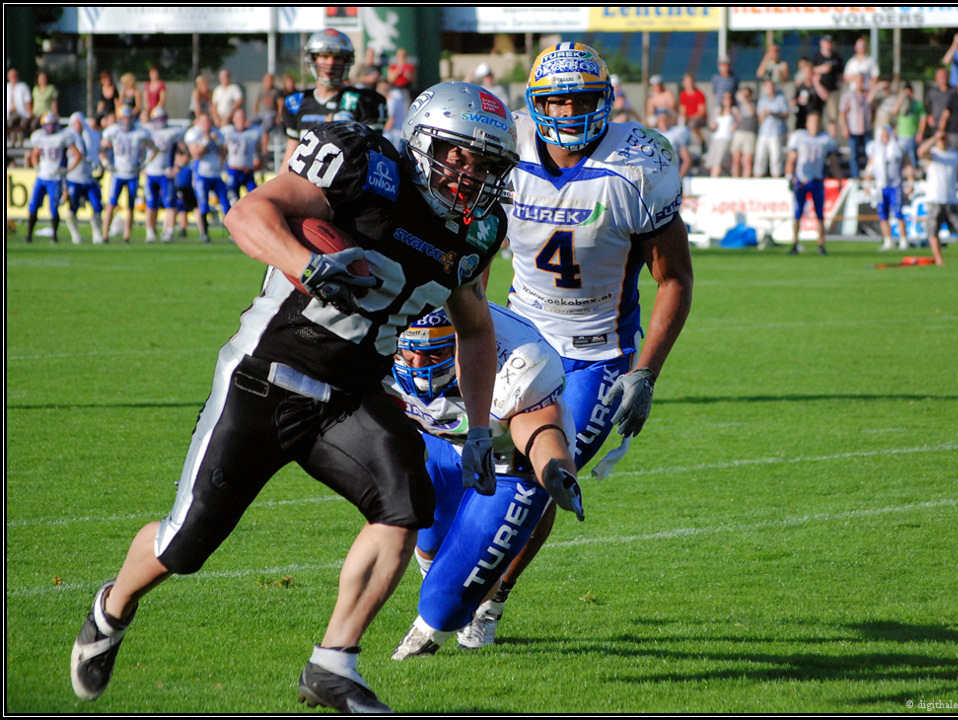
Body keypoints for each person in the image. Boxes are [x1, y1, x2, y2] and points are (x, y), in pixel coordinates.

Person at [69, 80, 519, 714]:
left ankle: (333, 665)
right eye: (459, 155)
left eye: (486, 165)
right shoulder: (367, 164)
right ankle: (111, 608)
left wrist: (477, 427)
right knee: (185, 544)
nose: (470, 175)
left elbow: (473, 324)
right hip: (265, 376)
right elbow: (249, 212)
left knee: (402, 508)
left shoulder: (474, 232)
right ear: (424, 140)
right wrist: (306, 263)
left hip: (351, 395)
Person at [487, 42, 693, 647]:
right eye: (558, 100)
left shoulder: (638, 164)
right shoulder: (509, 149)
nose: (571, 111)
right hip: (517, 331)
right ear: (536, 105)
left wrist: (646, 373)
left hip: (597, 351)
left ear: (606, 100)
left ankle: (492, 600)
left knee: (538, 480)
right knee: (468, 462)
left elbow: (673, 278)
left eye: (583, 98)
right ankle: (447, 567)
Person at [386, 303, 585, 658]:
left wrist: (553, 467)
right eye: (410, 354)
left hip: (509, 456)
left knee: (443, 604)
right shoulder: (378, 334)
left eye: (434, 356)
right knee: (427, 538)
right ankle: (458, 585)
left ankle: (470, 613)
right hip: (443, 441)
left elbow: (539, 428)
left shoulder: (520, 360)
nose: (418, 369)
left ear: (461, 343)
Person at [279, 29, 388, 172]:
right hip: (305, 185)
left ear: (347, 61)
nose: (330, 63)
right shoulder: (297, 103)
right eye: (324, 56)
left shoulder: (364, 101)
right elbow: (289, 159)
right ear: (313, 59)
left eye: (337, 57)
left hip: (347, 186)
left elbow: (374, 158)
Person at [785, 110, 841, 255]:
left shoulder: (826, 139)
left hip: (817, 180)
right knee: (797, 213)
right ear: (807, 124)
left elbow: (833, 161)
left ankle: (821, 244)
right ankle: (795, 243)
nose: (815, 125)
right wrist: (789, 177)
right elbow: (792, 158)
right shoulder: (799, 137)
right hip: (801, 181)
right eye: (812, 122)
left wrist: (839, 178)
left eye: (817, 122)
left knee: (820, 215)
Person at [917, 131, 958, 267]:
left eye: (944, 139)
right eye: (940, 139)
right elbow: (921, 151)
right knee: (934, 230)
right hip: (935, 198)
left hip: (951, 199)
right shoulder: (933, 154)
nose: (942, 141)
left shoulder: (954, 155)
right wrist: (934, 137)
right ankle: (939, 259)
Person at [100, 105, 156, 244]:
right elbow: (101, 147)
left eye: (128, 118)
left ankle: (127, 236)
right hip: (118, 173)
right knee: (111, 205)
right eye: (123, 118)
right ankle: (105, 235)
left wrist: (145, 162)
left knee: (130, 207)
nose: (126, 121)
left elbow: (153, 148)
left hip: (132, 173)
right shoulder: (113, 131)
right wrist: (105, 161)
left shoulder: (140, 132)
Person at [24, 112, 81, 244]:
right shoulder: (40, 137)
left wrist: (67, 169)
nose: (49, 127)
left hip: (55, 177)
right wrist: (36, 165)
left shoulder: (63, 136)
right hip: (42, 176)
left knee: (53, 208)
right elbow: (35, 153)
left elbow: (77, 154)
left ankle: (54, 236)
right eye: (47, 125)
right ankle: (29, 235)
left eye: (52, 124)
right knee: (33, 206)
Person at [184, 113, 229, 243]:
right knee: (203, 204)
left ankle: (232, 233)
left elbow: (224, 152)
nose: (207, 125)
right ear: (198, 122)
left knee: (225, 203)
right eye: (204, 122)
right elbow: (196, 154)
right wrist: (205, 141)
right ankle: (204, 233)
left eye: (208, 122)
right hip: (201, 174)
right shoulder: (194, 134)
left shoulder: (216, 133)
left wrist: (217, 142)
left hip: (216, 174)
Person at [143, 107, 186, 243]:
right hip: (150, 172)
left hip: (165, 172)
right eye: (157, 118)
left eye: (162, 118)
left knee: (170, 203)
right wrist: (141, 166)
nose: (159, 122)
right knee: (150, 204)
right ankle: (150, 231)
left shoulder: (173, 132)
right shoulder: (146, 131)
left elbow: (184, 151)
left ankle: (169, 232)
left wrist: (177, 167)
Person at [864, 125, 909, 251]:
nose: (885, 137)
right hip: (881, 186)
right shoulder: (876, 149)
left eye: (886, 134)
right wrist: (866, 184)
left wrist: (909, 181)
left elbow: (907, 164)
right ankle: (888, 240)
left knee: (898, 213)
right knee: (882, 214)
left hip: (895, 185)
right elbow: (870, 167)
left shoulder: (897, 148)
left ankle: (903, 240)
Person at [65, 112, 105, 244]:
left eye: (80, 122)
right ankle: (75, 234)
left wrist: (101, 165)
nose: (78, 125)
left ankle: (97, 233)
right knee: (72, 208)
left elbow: (97, 152)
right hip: (73, 177)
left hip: (88, 177)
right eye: (75, 122)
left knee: (97, 206)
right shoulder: (68, 137)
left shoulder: (92, 135)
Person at [221, 107, 264, 202]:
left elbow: (259, 149)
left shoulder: (253, 131)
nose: (241, 120)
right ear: (234, 120)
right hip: (234, 170)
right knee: (233, 199)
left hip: (248, 171)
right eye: (238, 118)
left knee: (255, 198)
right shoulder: (228, 132)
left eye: (243, 117)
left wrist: (260, 161)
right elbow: (222, 149)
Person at [838, 73, 876, 178]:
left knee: (869, 153)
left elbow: (873, 110)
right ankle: (855, 176)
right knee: (854, 155)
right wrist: (844, 127)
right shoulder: (848, 95)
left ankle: (868, 174)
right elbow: (842, 113)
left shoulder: (867, 95)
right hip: (854, 129)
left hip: (866, 129)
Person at [809, 35, 844, 137]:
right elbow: (809, 71)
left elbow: (841, 75)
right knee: (816, 116)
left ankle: (831, 141)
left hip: (832, 92)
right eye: (826, 42)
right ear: (822, 43)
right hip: (818, 90)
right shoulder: (816, 56)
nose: (828, 45)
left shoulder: (837, 57)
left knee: (832, 118)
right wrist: (821, 69)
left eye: (830, 43)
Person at [753, 79, 789, 178]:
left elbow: (786, 114)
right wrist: (764, 114)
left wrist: (772, 113)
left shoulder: (781, 98)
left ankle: (776, 177)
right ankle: (758, 177)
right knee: (760, 157)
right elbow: (760, 118)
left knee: (776, 157)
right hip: (764, 132)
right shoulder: (763, 100)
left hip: (776, 132)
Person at [891, 83, 926, 175]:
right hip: (901, 135)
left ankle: (913, 176)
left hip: (912, 135)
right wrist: (900, 100)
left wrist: (920, 133)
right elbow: (893, 111)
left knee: (913, 158)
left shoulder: (918, 104)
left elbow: (923, 118)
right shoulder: (901, 104)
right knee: (900, 158)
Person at [705, 90, 737, 177]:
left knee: (718, 161)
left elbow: (739, 122)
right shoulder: (718, 111)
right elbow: (712, 124)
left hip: (726, 138)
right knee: (711, 162)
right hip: (716, 138)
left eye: (728, 98)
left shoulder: (734, 111)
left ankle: (714, 179)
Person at [730, 86, 757, 178]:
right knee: (736, 159)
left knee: (747, 160)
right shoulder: (738, 106)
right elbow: (739, 119)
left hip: (749, 133)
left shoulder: (753, 104)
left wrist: (743, 100)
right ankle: (735, 179)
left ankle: (746, 180)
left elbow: (751, 112)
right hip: (739, 133)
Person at [793, 59, 828, 131]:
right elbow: (793, 101)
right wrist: (798, 101)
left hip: (815, 121)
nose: (807, 74)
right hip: (802, 120)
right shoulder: (800, 86)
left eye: (809, 72)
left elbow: (825, 97)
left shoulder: (817, 85)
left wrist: (816, 82)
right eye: (805, 72)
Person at [6, 67, 34, 146]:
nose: (13, 78)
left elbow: (27, 101)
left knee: (12, 121)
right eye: (11, 76)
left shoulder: (23, 87)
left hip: (20, 112)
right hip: (9, 113)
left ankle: (15, 137)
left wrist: (29, 113)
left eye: (14, 76)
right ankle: (16, 137)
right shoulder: (7, 87)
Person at [679, 72, 708, 146]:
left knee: (692, 124)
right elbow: (682, 109)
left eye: (690, 82)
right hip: (688, 118)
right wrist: (684, 117)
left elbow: (702, 111)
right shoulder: (683, 95)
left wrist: (690, 117)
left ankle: (701, 141)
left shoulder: (699, 94)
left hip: (698, 118)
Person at [924, 67, 952, 135]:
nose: (944, 78)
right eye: (941, 76)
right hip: (936, 124)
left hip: (951, 125)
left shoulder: (953, 92)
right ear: (936, 78)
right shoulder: (932, 92)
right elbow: (926, 105)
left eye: (945, 76)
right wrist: (929, 116)